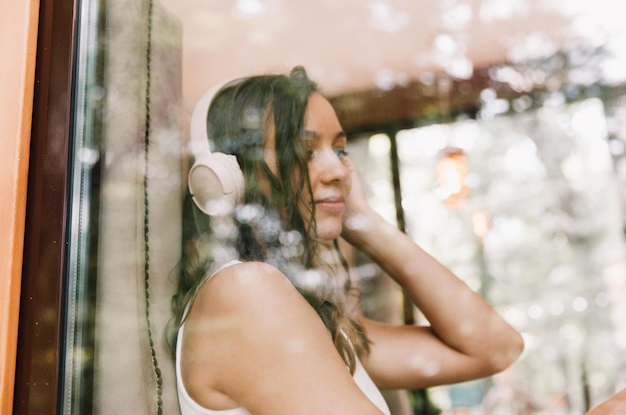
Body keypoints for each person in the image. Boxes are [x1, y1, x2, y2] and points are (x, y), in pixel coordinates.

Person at [167, 66, 524, 415]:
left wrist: (363, 221)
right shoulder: (246, 291)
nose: (339, 171)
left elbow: (495, 348)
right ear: (229, 176)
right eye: (305, 151)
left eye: (340, 150)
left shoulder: (316, 323)